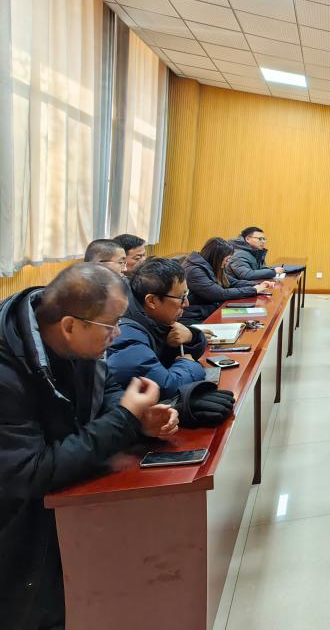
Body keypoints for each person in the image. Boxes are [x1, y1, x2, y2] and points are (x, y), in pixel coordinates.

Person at [0, 263, 178, 629]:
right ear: (69, 326)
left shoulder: (77, 340)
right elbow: (33, 472)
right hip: (16, 531)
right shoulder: (6, 372)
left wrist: (140, 420)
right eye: (111, 325)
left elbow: (104, 393)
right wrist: (125, 418)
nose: (118, 333)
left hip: (58, 518)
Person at [106, 258, 209, 399]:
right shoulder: (125, 333)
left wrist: (191, 337)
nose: (186, 303)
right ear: (152, 301)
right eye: (181, 297)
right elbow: (164, 387)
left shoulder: (153, 316)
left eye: (186, 294)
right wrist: (188, 364)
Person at [182, 237, 275, 323]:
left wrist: (257, 285)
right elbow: (219, 294)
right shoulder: (194, 270)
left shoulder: (210, 264)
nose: (227, 263)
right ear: (217, 257)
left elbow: (232, 282)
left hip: (210, 309)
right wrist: (253, 290)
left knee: (258, 314)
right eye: (227, 259)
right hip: (196, 315)